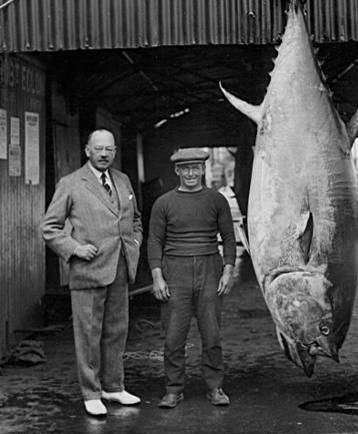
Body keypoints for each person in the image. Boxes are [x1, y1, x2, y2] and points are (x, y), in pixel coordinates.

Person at [41, 128, 142, 416]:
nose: (104, 154)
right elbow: (49, 228)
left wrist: (133, 244)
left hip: (120, 268)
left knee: (116, 331)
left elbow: (136, 220)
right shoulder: (71, 183)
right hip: (88, 270)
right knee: (88, 334)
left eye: (109, 149)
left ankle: (113, 387)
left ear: (114, 151)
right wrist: (75, 248)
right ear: (87, 150)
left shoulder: (122, 180)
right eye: (98, 149)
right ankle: (91, 392)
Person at [148, 148, 236, 408]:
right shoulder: (164, 203)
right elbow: (154, 241)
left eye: (195, 167)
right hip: (175, 269)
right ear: (177, 171)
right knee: (174, 336)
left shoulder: (216, 200)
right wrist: (157, 277)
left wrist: (228, 270)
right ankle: (174, 389)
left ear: (202, 169)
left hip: (210, 266)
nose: (190, 173)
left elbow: (229, 238)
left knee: (212, 334)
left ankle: (215, 387)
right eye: (185, 168)